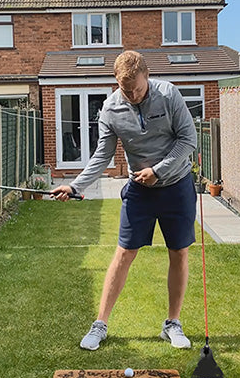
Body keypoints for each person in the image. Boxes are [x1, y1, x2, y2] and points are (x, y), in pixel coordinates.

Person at [51, 50, 197, 351]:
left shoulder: (169, 95)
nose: (131, 95)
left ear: (147, 75)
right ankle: (100, 324)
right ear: (117, 82)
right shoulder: (111, 108)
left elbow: (188, 140)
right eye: (125, 89)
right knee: (123, 253)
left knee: (179, 253)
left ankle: (172, 324)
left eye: (138, 89)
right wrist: (75, 186)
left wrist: (158, 170)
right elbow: (102, 154)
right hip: (139, 191)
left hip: (176, 185)